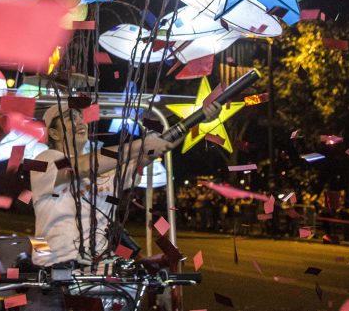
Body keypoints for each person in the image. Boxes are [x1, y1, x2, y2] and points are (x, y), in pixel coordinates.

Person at [26, 100, 219, 310]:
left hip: (100, 277)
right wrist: (140, 144)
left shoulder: (104, 169)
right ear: (54, 134)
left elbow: (159, 147)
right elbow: (80, 168)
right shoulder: (44, 161)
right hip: (56, 279)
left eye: (80, 117)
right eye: (70, 119)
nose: (80, 122)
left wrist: (198, 119)